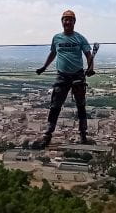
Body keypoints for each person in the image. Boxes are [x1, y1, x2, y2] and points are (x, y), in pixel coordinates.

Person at [34, 9, 95, 146]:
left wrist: (91, 69)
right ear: (62, 22)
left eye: (70, 20)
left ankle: (83, 135)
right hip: (62, 75)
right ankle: (48, 135)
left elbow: (88, 55)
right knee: (55, 105)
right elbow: (53, 53)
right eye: (65, 19)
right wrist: (44, 67)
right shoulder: (57, 38)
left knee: (81, 105)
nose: (67, 22)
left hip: (78, 75)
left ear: (74, 22)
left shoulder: (80, 38)